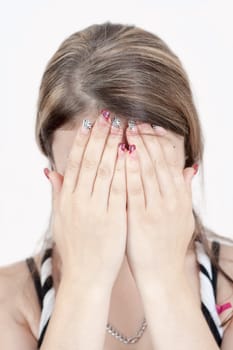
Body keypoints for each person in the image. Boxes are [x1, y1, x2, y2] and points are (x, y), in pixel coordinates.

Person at [0, 21, 233, 350]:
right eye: (93, 173)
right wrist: (85, 283)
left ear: (188, 165)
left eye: (146, 169)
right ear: (54, 175)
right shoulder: (8, 304)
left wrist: (163, 281)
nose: (121, 194)